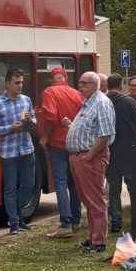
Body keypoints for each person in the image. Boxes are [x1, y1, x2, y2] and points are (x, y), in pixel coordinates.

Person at [63, 71, 116, 253]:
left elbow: (104, 134)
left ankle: (99, 241)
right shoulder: (88, 102)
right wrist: (71, 126)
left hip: (90, 158)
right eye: (79, 83)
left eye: (85, 83)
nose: (81, 86)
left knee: (95, 200)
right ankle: (93, 237)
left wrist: (89, 156)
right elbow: (89, 130)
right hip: (80, 156)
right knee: (88, 199)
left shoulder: (101, 103)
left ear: (96, 85)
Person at [0, 68, 36, 236]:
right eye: (17, 83)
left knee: (28, 185)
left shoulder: (26, 100)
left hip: (27, 149)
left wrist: (30, 122)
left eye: (22, 82)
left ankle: (18, 216)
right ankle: (15, 222)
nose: (20, 85)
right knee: (9, 189)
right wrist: (10, 128)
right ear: (8, 84)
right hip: (8, 153)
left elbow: (34, 121)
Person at [37, 66, 84, 238]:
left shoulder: (49, 92)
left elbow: (50, 116)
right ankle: (76, 220)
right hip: (74, 144)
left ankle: (65, 224)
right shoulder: (77, 93)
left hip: (57, 144)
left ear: (52, 79)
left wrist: (45, 136)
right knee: (74, 183)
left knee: (61, 182)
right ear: (66, 79)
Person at [105, 74, 136, 234]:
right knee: (133, 187)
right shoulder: (128, 102)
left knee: (113, 188)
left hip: (110, 150)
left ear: (107, 85)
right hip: (129, 150)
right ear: (122, 86)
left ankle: (116, 222)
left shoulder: (103, 101)